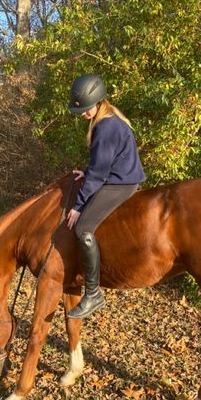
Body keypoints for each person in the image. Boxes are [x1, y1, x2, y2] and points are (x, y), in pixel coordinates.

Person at [66, 74, 146, 319]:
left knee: (83, 229)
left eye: (85, 109)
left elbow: (100, 173)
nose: (82, 114)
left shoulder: (106, 126)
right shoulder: (110, 119)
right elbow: (102, 163)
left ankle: (93, 294)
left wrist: (78, 206)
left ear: (97, 102)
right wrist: (87, 172)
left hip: (120, 184)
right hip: (121, 177)